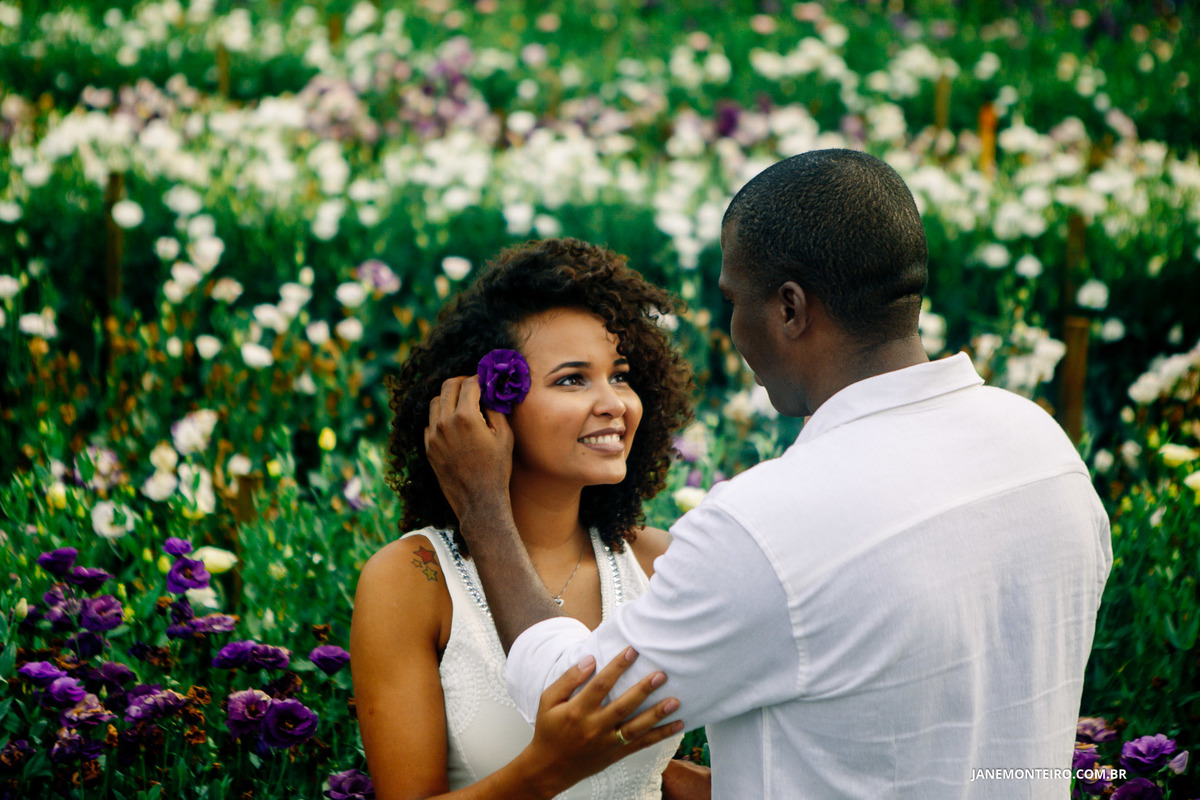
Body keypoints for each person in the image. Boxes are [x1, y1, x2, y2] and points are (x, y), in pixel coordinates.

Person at [423, 149, 1113, 798]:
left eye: (734, 300)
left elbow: (576, 703)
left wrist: (483, 507)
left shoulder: (766, 527)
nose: (732, 330)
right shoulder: (1045, 454)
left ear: (789, 308)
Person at [350, 238, 707, 799]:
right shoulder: (411, 580)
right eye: (572, 379)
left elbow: (644, 775)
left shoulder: (657, 562)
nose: (614, 402)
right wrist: (551, 766)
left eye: (619, 375)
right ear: (486, 405)